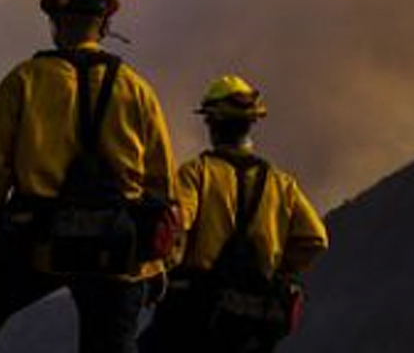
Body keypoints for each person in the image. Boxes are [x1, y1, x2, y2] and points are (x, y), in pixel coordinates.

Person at [0, 0, 177, 353]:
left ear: (54, 19)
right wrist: (155, 263)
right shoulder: (138, 89)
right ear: (107, 20)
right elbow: (161, 187)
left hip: (35, 243)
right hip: (118, 254)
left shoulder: (24, 80)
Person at [138, 75, 328, 353]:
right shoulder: (281, 184)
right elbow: (315, 240)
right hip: (254, 321)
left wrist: (163, 270)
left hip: (193, 315)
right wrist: (276, 270)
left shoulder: (196, 174)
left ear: (211, 124)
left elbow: (175, 228)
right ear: (251, 124)